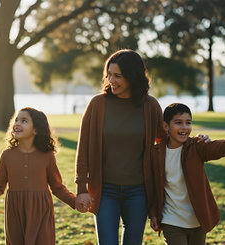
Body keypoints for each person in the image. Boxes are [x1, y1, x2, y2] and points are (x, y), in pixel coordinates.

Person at [73, 49, 167, 244]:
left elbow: (165, 140)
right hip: (105, 190)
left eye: (117, 76)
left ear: (133, 77)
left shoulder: (150, 106)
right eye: (108, 75)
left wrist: (196, 141)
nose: (111, 80)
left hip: (138, 191)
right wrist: (82, 187)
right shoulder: (98, 104)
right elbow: (83, 149)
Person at [148, 103, 225, 245]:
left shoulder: (196, 146)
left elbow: (215, 148)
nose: (184, 127)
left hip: (197, 219)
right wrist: (153, 214)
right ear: (166, 126)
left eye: (188, 122)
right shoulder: (156, 153)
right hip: (171, 220)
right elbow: (153, 187)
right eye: (178, 123)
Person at [0, 107, 76, 244]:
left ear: (36, 130)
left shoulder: (47, 156)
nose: (17, 124)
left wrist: (75, 202)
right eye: (16, 120)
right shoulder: (7, 155)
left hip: (41, 212)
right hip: (15, 212)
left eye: (24, 121)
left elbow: (57, 187)